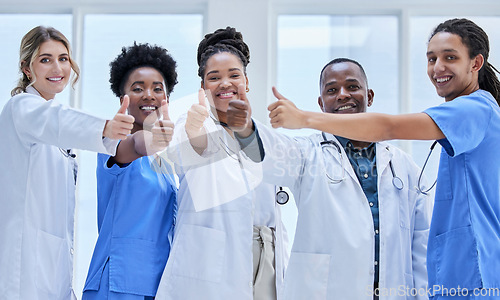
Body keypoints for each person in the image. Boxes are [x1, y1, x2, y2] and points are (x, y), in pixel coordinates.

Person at [266, 18, 500, 299]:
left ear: (475, 63)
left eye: (450, 57)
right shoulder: (468, 114)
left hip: (472, 269)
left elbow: (389, 128)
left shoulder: (473, 110)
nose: (438, 67)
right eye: (431, 58)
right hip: (461, 269)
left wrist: (305, 118)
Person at [227, 57, 432, 299]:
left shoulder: (403, 166)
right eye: (332, 90)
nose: (343, 95)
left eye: (353, 87)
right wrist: (245, 129)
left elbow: (422, 247)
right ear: (321, 103)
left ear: (370, 96)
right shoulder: (306, 154)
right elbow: (268, 155)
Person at [0, 26, 134, 299]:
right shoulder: (21, 107)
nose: (57, 67)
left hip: (52, 262)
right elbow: (58, 120)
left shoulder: (48, 118)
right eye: (45, 59)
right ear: (27, 68)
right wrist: (106, 127)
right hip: (23, 264)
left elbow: (60, 124)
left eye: (63, 58)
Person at [156, 27, 288, 300]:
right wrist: (194, 130)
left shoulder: (264, 135)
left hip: (267, 263)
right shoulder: (194, 123)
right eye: (213, 77)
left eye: (234, 75)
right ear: (203, 87)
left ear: (247, 81)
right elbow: (190, 149)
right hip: (211, 267)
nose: (224, 83)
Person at [82, 43, 178, 300]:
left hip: (157, 283)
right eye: (137, 88)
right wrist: (152, 140)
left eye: (158, 89)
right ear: (121, 97)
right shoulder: (113, 143)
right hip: (117, 283)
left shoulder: (166, 164)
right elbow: (136, 146)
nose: (149, 95)